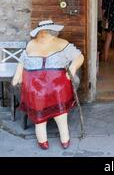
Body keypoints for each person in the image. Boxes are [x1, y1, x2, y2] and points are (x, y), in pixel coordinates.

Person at [11, 19, 84, 150]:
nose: (43, 34)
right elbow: (22, 62)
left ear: (53, 31)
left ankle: (64, 136)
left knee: (60, 114)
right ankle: (42, 139)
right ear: (37, 32)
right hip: (35, 86)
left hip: (56, 85)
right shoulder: (31, 45)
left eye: (46, 31)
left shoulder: (62, 44)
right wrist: (17, 76)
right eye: (41, 31)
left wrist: (73, 68)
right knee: (39, 116)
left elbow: (79, 56)